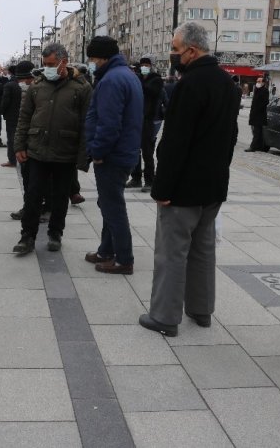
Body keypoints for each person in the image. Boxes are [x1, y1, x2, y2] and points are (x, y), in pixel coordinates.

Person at [140, 22, 240, 337]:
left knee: (172, 252)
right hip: (213, 186)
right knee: (203, 249)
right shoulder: (228, 83)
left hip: (182, 187)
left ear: (192, 51)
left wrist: (162, 187)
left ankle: (165, 317)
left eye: (175, 48)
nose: (172, 54)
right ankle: (201, 310)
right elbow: (231, 137)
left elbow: (175, 141)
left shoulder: (190, 83)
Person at [13, 43, 92, 254]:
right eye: (44, 64)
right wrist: (19, 145)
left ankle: (55, 233)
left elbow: (87, 123)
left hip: (65, 152)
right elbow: (24, 118)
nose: (46, 68)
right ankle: (26, 236)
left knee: (59, 197)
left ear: (63, 62)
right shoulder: (37, 85)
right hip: (37, 150)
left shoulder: (81, 88)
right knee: (33, 195)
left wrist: (83, 157)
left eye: (50, 64)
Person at [84, 36, 144, 274]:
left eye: (92, 58)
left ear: (102, 57)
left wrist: (98, 151)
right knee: (108, 203)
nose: (91, 63)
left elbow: (109, 124)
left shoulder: (111, 80)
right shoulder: (126, 74)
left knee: (112, 207)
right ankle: (106, 250)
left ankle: (123, 259)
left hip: (112, 155)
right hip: (125, 152)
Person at [126, 56, 163, 193]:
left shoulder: (156, 79)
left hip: (148, 120)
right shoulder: (138, 78)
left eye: (147, 65)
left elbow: (151, 91)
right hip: (135, 118)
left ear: (151, 66)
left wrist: (136, 80)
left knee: (147, 152)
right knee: (135, 151)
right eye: (142, 65)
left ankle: (149, 180)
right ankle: (135, 178)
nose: (144, 67)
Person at [0, 60, 34, 167]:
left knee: (12, 139)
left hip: (12, 117)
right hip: (26, 118)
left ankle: (12, 160)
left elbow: (5, 101)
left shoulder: (9, 85)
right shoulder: (35, 87)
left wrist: (2, 111)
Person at [245, 76, 270, 152]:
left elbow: (265, 102)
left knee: (257, 132)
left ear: (263, 83)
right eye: (257, 81)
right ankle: (259, 146)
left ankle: (253, 147)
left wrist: (257, 109)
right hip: (254, 114)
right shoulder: (256, 89)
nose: (257, 83)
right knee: (257, 132)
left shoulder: (265, 91)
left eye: (259, 82)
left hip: (259, 115)